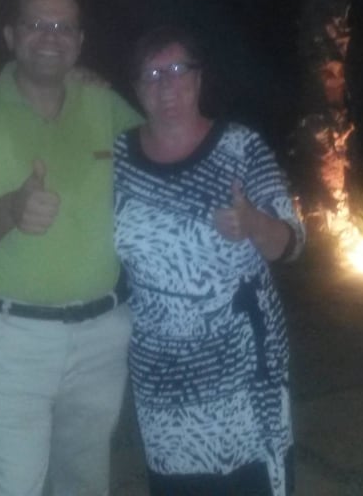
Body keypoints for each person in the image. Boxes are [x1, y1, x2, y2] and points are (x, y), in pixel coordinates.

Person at [0, 0, 142, 496]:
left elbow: (162, 155)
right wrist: (12, 208)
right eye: (36, 25)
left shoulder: (103, 104)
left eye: (63, 27)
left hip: (102, 336)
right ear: (11, 36)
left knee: (85, 485)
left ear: (79, 42)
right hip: (7, 340)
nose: (50, 37)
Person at [113, 25, 304, 496]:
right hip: (162, 372)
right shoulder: (117, 156)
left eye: (178, 70)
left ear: (199, 79)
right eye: (152, 74)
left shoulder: (241, 147)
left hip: (244, 367)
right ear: (136, 89)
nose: (166, 85)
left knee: (252, 484)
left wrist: (254, 222)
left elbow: (293, 242)